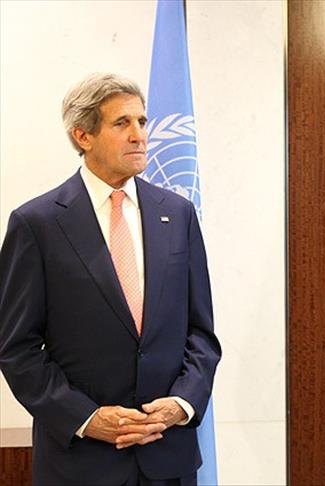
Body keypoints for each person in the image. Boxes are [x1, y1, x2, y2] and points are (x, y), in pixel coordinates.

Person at [0, 73, 221, 485]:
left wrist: (181, 403)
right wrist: (86, 417)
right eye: (122, 123)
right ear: (83, 135)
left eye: (142, 121)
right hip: (81, 463)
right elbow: (17, 348)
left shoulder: (177, 214)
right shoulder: (37, 224)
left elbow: (201, 332)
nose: (139, 135)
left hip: (167, 458)